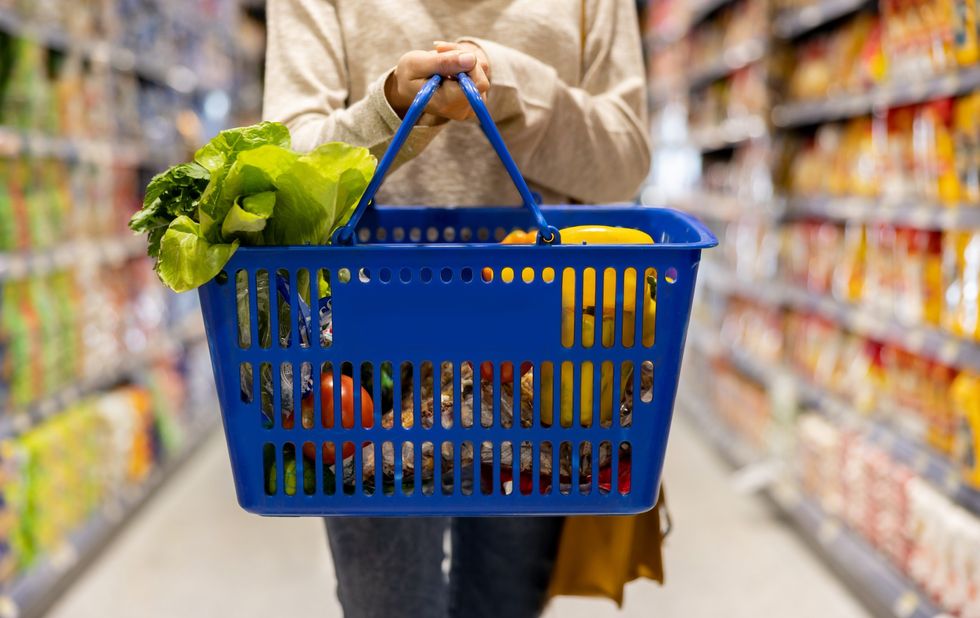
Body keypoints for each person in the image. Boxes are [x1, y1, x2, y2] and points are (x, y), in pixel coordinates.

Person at [263, 1, 650, 617]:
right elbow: (280, 171)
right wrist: (389, 109)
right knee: (387, 606)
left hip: (540, 360)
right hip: (365, 358)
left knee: (506, 601)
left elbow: (625, 162)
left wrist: (512, 88)